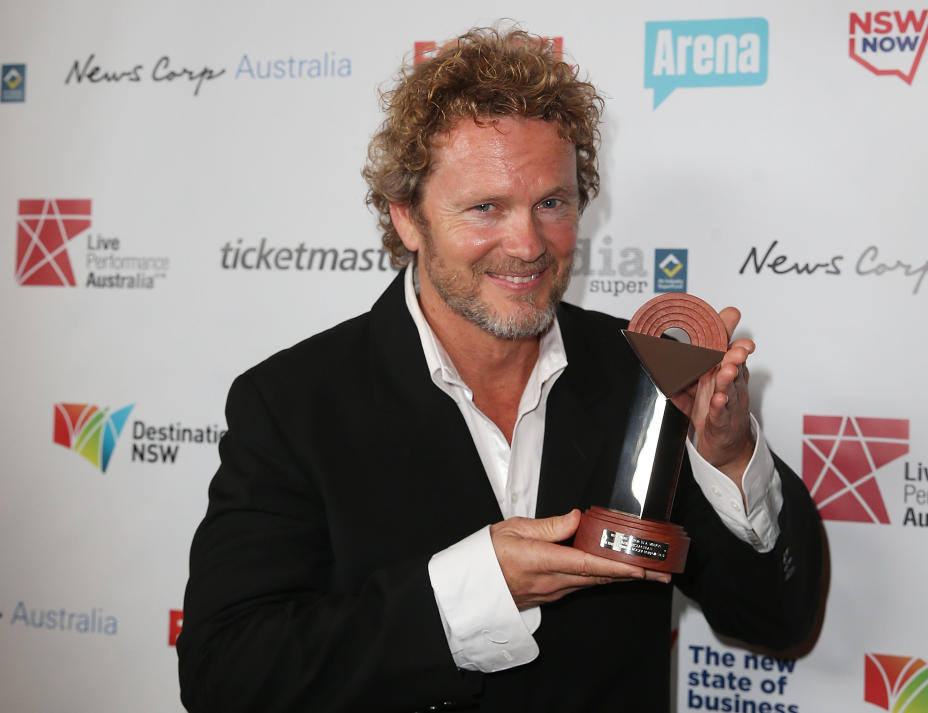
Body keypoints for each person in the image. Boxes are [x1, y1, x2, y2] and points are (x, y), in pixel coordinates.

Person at [177, 27, 822, 713]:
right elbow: (226, 674)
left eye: (553, 203)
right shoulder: (293, 404)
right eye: (486, 207)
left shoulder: (644, 373)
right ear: (407, 219)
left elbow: (776, 619)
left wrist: (728, 458)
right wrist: (478, 590)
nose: (528, 245)